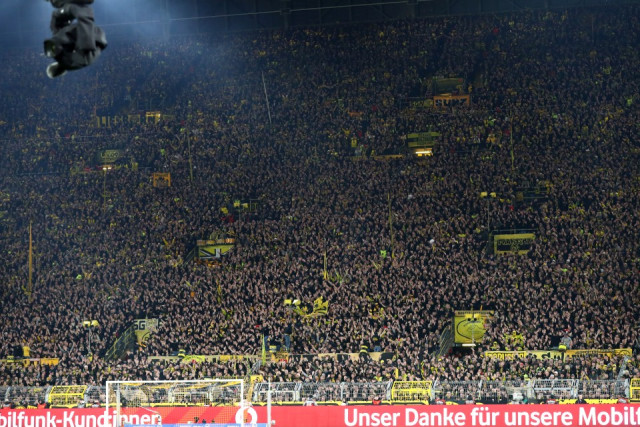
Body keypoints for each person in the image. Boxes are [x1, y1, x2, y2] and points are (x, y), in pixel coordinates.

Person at [43, 0, 107, 78]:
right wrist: (80, 14)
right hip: (93, 40)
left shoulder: (62, 53)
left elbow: (56, 22)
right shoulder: (69, 61)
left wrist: (64, 11)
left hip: (90, 39)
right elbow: (86, 52)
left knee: (59, 31)